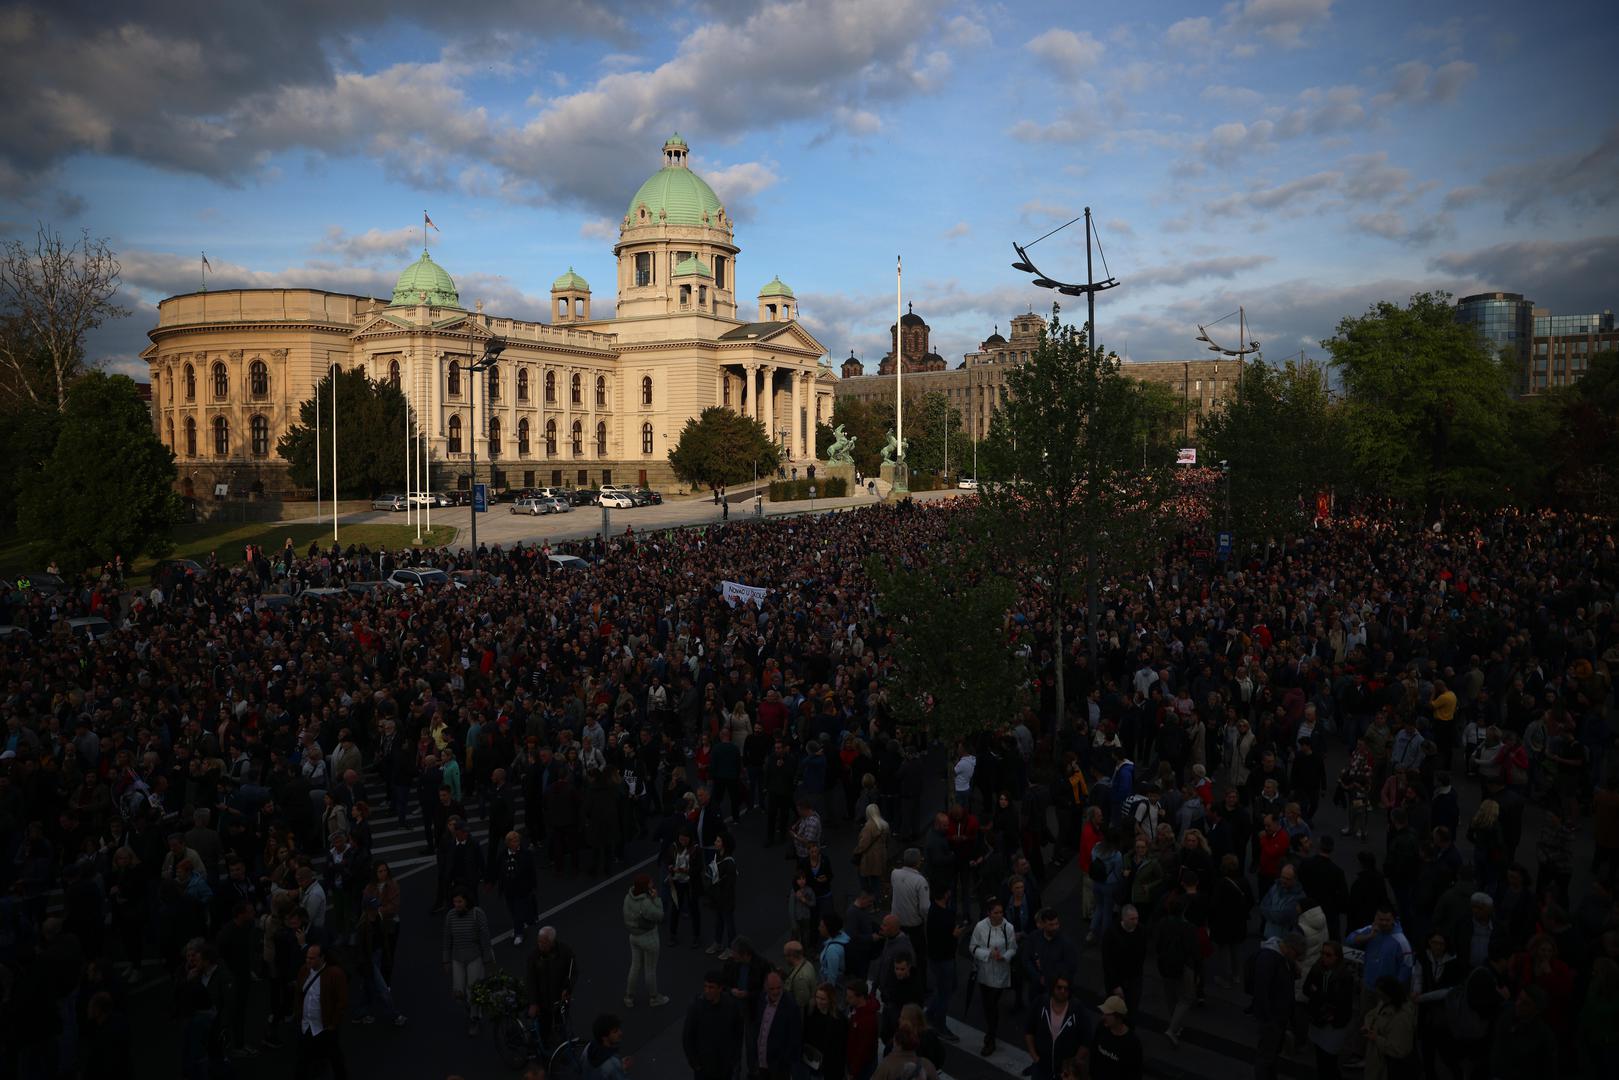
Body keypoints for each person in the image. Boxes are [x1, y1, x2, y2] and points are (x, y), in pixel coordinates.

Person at [1151, 892, 1201, 1048]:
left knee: (1170, 995)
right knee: (1187, 997)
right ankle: (1173, 1028)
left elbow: (1157, 945)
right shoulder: (1189, 928)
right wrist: (1198, 972)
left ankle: (1175, 1023)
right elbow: (1195, 953)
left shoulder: (1162, 923)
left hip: (1165, 964)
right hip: (1184, 966)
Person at [442, 890, 495, 1037]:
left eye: (459, 902)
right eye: (455, 902)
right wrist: (446, 959)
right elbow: (447, 939)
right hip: (457, 957)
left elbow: (485, 938)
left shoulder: (477, 914)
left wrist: (487, 960)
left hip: (474, 957)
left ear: (466, 901)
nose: (456, 905)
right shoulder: (450, 916)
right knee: (458, 993)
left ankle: (474, 1018)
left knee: (473, 991)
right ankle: (473, 1008)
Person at [1252, 933, 1304, 1080]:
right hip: (1272, 1018)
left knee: (1272, 1054)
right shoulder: (1268, 958)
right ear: (1289, 948)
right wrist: (1268, 1019)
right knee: (1265, 1057)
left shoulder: (1283, 957)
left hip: (1278, 1018)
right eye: (1297, 954)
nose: (1298, 958)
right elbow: (1261, 991)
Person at [970, 898, 1018, 1056]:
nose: (999, 915)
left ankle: (990, 1037)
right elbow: (972, 947)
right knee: (988, 1005)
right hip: (985, 973)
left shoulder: (1008, 927)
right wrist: (988, 953)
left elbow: (1013, 948)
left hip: (1001, 973)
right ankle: (991, 1032)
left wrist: (1004, 957)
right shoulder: (980, 927)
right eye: (995, 912)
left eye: (1001, 912)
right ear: (988, 913)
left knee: (991, 1005)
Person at [295, 942, 349, 1079]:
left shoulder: (335, 974)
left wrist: (333, 1024)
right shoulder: (304, 970)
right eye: (307, 957)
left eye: (312, 958)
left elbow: (341, 1002)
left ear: (322, 958)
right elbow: (299, 994)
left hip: (324, 1028)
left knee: (335, 1059)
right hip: (307, 1026)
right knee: (303, 1060)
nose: (308, 960)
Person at [1302, 941, 1355, 1080]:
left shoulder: (1345, 976)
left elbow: (1346, 1003)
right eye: (1322, 953)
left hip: (1333, 1022)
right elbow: (1306, 988)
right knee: (1320, 1055)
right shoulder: (1317, 968)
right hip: (1318, 1018)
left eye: (1328, 954)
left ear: (1337, 957)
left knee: (1329, 1058)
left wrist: (1335, 1015)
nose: (1324, 957)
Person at [1025, 975, 1089, 1080]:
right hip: (1042, 1068)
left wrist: (1072, 1065)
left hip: (1064, 1073)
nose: (1062, 991)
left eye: (1066, 988)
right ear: (1052, 988)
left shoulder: (1078, 1010)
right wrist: (1035, 1057)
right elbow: (1029, 1030)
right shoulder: (1040, 1003)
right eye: (1059, 987)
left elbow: (1086, 1040)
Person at [683, 972, 743, 1080]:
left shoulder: (730, 1006)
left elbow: (738, 1033)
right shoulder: (697, 1008)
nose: (707, 990)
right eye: (705, 986)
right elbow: (687, 1036)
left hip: (724, 1065)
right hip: (704, 1067)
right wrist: (695, 1063)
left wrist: (734, 1058)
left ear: (720, 988)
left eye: (711, 987)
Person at [526, 927, 578, 1050]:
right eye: (538, 941)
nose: (540, 945)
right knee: (544, 1027)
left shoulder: (565, 952)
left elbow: (573, 972)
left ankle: (564, 1049)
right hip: (543, 1000)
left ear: (552, 942)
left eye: (543, 943)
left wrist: (568, 989)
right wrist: (533, 1003)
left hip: (559, 998)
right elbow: (530, 980)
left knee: (562, 1024)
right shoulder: (534, 956)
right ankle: (544, 1053)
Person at [622, 874, 669, 1007]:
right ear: (645, 887)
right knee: (650, 969)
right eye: (650, 883)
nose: (652, 884)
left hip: (633, 937)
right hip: (649, 938)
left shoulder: (628, 898)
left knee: (635, 966)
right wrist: (656, 899)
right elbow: (660, 915)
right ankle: (654, 998)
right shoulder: (646, 903)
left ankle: (628, 997)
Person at [1360, 976, 1417, 1080]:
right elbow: (1372, 1014)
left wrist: (1376, 1038)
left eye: (1380, 994)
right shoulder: (1385, 1002)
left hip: (1388, 1067)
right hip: (1377, 1060)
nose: (1378, 997)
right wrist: (1368, 1025)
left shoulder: (1401, 1018)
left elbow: (1399, 1050)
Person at [753, 969, 803, 1079]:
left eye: (778, 988)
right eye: (772, 989)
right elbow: (758, 1026)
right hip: (762, 1060)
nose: (775, 992)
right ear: (765, 988)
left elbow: (795, 1039)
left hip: (779, 1066)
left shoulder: (791, 1007)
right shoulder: (762, 998)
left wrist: (784, 1061)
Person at [492, 830, 539, 946]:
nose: (516, 843)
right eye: (513, 841)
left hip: (521, 888)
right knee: (512, 910)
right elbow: (498, 869)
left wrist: (533, 885)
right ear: (508, 843)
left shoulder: (526, 854)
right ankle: (519, 926)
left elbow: (531, 871)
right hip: (508, 889)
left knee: (518, 910)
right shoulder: (503, 854)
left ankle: (519, 933)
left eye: (517, 840)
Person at [1089, 995, 1142, 1080]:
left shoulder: (1133, 1043)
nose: (1103, 1017)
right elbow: (1093, 1053)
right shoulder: (1101, 1028)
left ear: (1118, 1017)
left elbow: (1135, 1074)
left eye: (1107, 1014)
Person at [802, 983, 847, 1080]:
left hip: (826, 1064)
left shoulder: (838, 1020)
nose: (819, 1001)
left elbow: (839, 1047)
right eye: (817, 997)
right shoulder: (810, 1010)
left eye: (823, 999)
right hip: (809, 1058)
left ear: (830, 1000)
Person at [845, 978, 881, 1080]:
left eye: (850, 997)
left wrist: (853, 1071)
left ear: (860, 997)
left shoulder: (867, 1021)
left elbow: (863, 1049)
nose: (847, 999)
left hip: (862, 1065)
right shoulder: (857, 1008)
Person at [584, 1013, 632, 1080]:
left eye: (619, 1029)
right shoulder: (613, 1064)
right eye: (615, 1032)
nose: (620, 1033)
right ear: (604, 1037)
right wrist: (623, 1069)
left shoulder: (589, 1047)